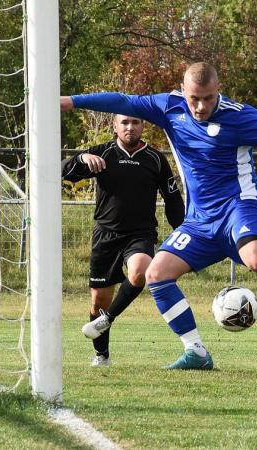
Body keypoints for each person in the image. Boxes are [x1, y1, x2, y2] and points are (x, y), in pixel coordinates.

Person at [60, 62, 257, 370]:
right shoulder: (169, 106)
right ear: (183, 91)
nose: (199, 106)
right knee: (157, 275)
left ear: (218, 91)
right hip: (199, 220)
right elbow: (122, 100)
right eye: (193, 98)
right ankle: (196, 351)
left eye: (207, 98)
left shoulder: (241, 117)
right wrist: (72, 102)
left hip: (238, 206)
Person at [62, 114, 185, 366]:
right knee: (98, 302)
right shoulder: (102, 153)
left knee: (140, 272)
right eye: (125, 123)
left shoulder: (156, 159)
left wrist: (182, 230)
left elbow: (173, 200)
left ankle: (109, 318)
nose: (130, 127)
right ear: (115, 126)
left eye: (136, 122)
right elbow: (64, 171)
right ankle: (102, 355)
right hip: (105, 236)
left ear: (143, 126)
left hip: (140, 234)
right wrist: (81, 158)